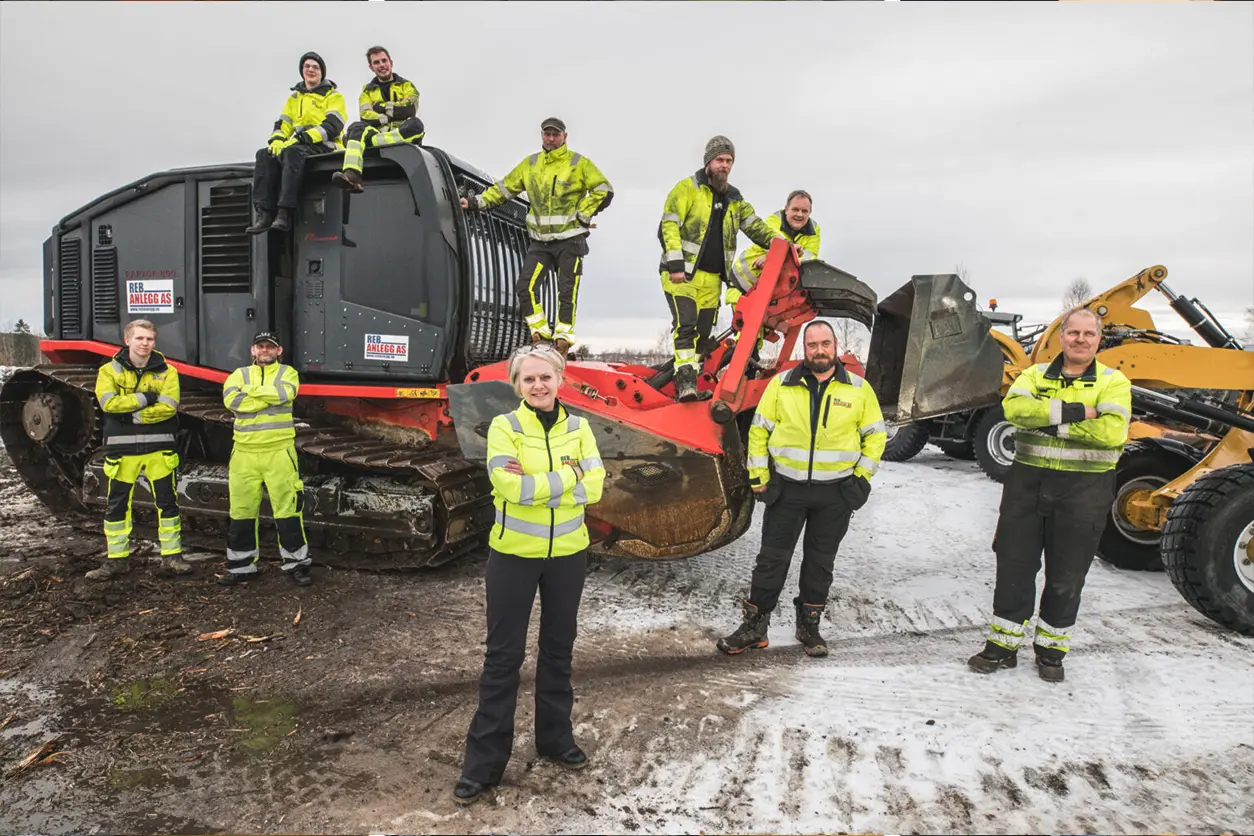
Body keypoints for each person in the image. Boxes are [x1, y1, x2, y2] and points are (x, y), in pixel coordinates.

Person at [453, 343, 606, 806]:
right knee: (503, 659)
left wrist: (546, 486)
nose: (538, 386)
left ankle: (556, 740)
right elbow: (508, 486)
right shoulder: (505, 426)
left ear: (560, 380)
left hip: (568, 556)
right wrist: (567, 477)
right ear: (517, 385)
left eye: (546, 377)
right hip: (513, 557)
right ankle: (483, 766)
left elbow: (596, 484)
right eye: (529, 379)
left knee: (558, 651)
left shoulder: (580, 426)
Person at [967, 308, 1131, 683]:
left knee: (1067, 574)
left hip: (1084, 492)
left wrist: (1050, 424)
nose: (1080, 339)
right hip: (1027, 488)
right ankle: (1002, 647)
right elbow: (1016, 409)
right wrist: (1078, 413)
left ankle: (1051, 652)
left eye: (1089, 334)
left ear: (1098, 339)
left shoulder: (1114, 382)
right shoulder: (1034, 374)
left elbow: (1111, 432)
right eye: (1073, 332)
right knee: (1014, 566)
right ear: (1062, 336)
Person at [717, 320, 887, 658]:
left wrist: (861, 479)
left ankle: (809, 625)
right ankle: (755, 626)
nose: (819, 350)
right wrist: (759, 477)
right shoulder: (781, 385)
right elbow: (758, 433)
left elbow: (876, 436)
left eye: (825, 344)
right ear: (804, 349)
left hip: (835, 495)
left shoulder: (858, 389)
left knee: (820, 563)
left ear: (835, 346)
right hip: (787, 491)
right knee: (770, 561)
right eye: (812, 345)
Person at [460, 118, 614, 356]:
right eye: (547, 134)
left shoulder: (578, 163)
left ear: (565, 136)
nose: (550, 138)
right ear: (542, 136)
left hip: (570, 241)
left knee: (567, 291)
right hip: (540, 242)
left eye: (555, 134)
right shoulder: (530, 164)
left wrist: (584, 213)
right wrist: (474, 202)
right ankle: (540, 335)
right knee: (525, 287)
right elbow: (503, 190)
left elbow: (604, 189)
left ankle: (562, 341)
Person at [657, 135, 792, 402]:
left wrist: (785, 246)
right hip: (681, 274)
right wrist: (675, 264)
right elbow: (668, 225)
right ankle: (685, 384)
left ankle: (689, 383)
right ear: (708, 161)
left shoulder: (734, 199)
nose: (725, 165)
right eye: (720, 160)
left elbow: (756, 228)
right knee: (686, 325)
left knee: (703, 335)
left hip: (713, 278)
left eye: (729, 160)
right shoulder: (686, 189)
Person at [88, 320, 191, 580]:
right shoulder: (108, 371)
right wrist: (145, 398)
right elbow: (108, 403)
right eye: (139, 338)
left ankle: (172, 557)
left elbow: (169, 406)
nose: (145, 343)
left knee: (167, 504)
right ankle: (117, 560)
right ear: (127, 340)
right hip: (122, 453)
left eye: (149, 339)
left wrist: (132, 415)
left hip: (159, 449)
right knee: (116, 506)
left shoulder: (168, 372)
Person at [216, 332, 312, 587]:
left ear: (279, 350)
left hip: (279, 452)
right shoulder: (238, 374)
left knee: (288, 509)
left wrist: (251, 394)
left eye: (270, 347)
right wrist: (265, 396)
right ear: (253, 350)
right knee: (241, 511)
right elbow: (231, 400)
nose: (265, 350)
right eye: (260, 346)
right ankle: (241, 567)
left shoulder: (288, 373)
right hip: (244, 454)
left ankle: (297, 564)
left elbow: (285, 394)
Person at [246, 52, 348, 235]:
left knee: (292, 153)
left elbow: (333, 126)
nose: (311, 70)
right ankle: (265, 214)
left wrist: (303, 138)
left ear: (322, 73)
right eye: (307, 66)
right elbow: (283, 124)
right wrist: (277, 140)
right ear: (302, 71)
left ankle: (284, 213)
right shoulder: (294, 98)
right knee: (264, 154)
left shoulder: (333, 96)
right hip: (300, 144)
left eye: (315, 67)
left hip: (325, 146)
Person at [331, 45, 424, 194]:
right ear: (371, 67)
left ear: (391, 62)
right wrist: (391, 111)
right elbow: (366, 115)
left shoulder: (406, 85)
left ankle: (370, 143)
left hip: (403, 132)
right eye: (376, 63)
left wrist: (380, 108)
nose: (381, 65)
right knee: (356, 127)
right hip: (378, 132)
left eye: (384, 61)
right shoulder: (366, 92)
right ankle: (352, 174)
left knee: (416, 125)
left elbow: (409, 108)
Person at [727, 189, 822, 306]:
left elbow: (809, 259)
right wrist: (775, 256)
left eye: (804, 211)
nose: (799, 214)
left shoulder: (814, 231)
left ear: (810, 213)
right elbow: (774, 244)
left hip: (769, 294)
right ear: (786, 210)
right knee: (748, 323)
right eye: (795, 209)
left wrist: (773, 257)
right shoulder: (774, 220)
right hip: (742, 284)